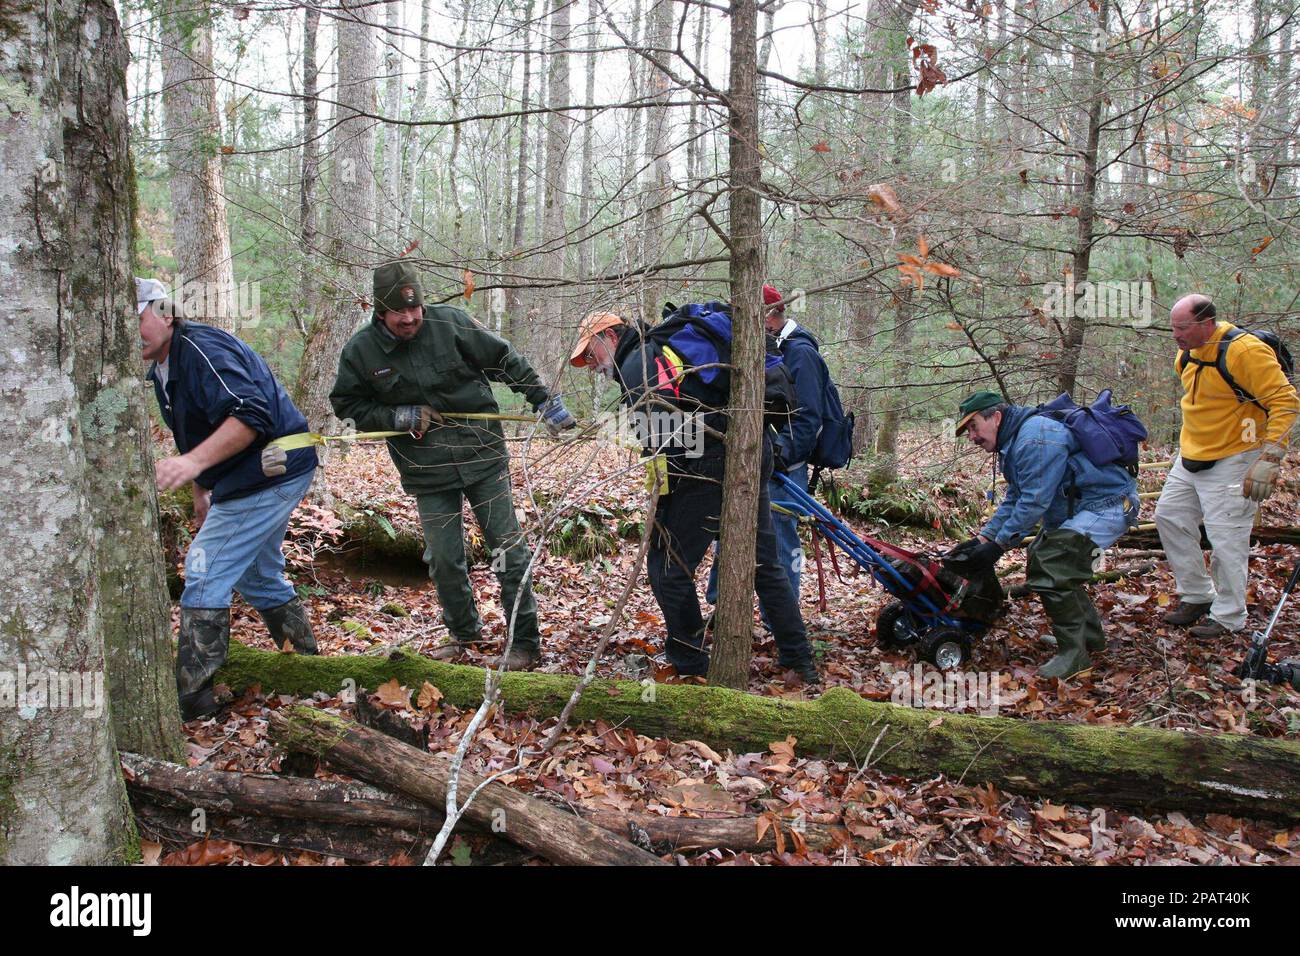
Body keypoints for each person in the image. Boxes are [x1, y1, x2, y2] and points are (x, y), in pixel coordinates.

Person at [329, 262, 576, 671]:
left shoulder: (451, 324)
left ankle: (525, 643)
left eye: (416, 309)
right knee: (444, 558)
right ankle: (464, 633)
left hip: (483, 457)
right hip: (426, 469)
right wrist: (397, 417)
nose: (410, 319)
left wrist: (543, 399)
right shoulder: (361, 351)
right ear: (380, 312)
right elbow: (347, 406)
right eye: (399, 313)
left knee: (508, 549)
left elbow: (503, 359)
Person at [569, 308, 819, 683]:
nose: (592, 365)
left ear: (612, 337)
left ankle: (690, 666)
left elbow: (664, 440)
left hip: (710, 467)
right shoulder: (657, 351)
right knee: (765, 566)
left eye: (591, 354)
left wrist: (667, 494)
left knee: (667, 569)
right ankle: (801, 662)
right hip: (751, 450)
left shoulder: (640, 363)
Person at [140, 277, 320, 720]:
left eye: (136, 319)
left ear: (165, 313)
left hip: (271, 471)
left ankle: (195, 701)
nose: (131, 332)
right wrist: (202, 490)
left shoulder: (202, 350)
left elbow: (249, 417)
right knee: (258, 575)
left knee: (204, 571)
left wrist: (193, 465)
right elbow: (196, 430)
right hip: (247, 477)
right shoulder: (164, 367)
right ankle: (310, 668)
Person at [953, 390, 1139, 678]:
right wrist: (983, 540)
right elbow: (1016, 496)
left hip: (1107, 504)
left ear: (997, 417)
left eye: (974, 427)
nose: (972, 437)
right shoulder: (1014, 441)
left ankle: (1074, 654)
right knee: (1043, 556)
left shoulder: (1034, 438)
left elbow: (1034, 501)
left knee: (1054, 563)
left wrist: (999, 546)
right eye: (968, 431)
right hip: (1082, 507)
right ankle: (1088, 638)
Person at [1154, 294, 1298, 638]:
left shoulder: (1244, 351)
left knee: (1226, 537)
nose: (1176, 335)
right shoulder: (1186, 353)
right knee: (1169, 517)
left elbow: (1285, 401)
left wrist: (1270, 458)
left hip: (1236, 456)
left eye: (1183, 328)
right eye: (1173, 328)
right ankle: (1197, 595)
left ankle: (1229, 616)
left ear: (1206, 324)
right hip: (1191, 456)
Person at [706, 283, 835, 605]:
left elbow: (808, 418)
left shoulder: (800, 353)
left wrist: (781, 455)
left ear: (768, 315)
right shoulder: (759, 348)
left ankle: (781, 616)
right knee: (731, 532)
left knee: (780, 542)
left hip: (784, 469)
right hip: (751, 461)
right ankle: (720, 608)